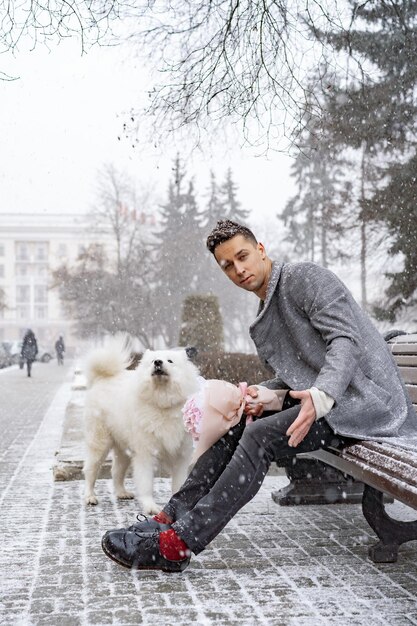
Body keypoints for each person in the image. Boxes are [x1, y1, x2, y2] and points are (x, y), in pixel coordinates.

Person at [101, 219, 417, 573]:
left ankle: (178, 545)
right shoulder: (265, 314)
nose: (239, 269)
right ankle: (169, 518)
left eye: (243, 256)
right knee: (239, 424)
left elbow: (345, 340)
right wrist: (263, 394)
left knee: (260, 437)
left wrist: (322, 394)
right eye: (228, 266)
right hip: (334, 403)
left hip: (366, 404)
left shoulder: (305, 278)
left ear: (261, 250)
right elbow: (295, 374)